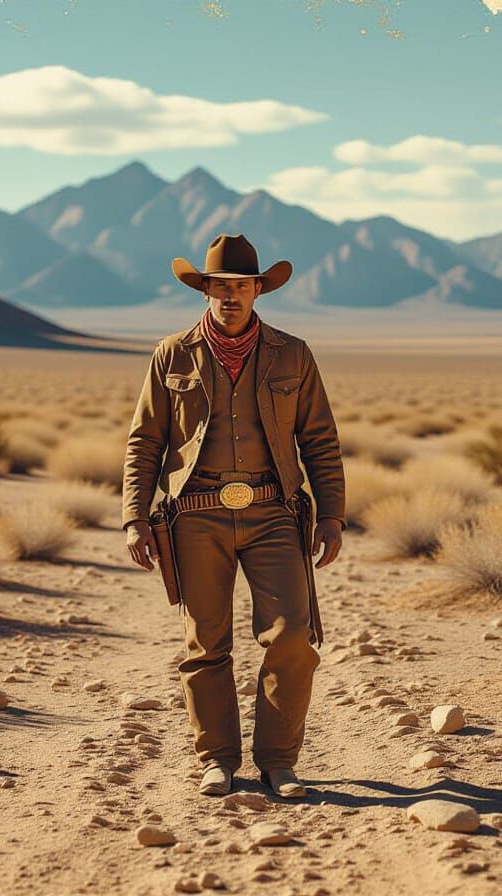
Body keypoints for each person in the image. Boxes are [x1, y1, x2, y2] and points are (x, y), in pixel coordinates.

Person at [122, 233, 346, 799]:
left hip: (274, 511)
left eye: (241, 286)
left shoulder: (292, 353)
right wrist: (135, 517)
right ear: (205, 290)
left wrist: (332, 515)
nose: (230, 296)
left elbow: (319, 438)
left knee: (294, 633)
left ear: (257, 291)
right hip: (194, 515)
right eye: (220, 287)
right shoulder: (172, 353)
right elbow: (145, 440)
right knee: (206, 643)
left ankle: (278, 761)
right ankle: (217, 759)